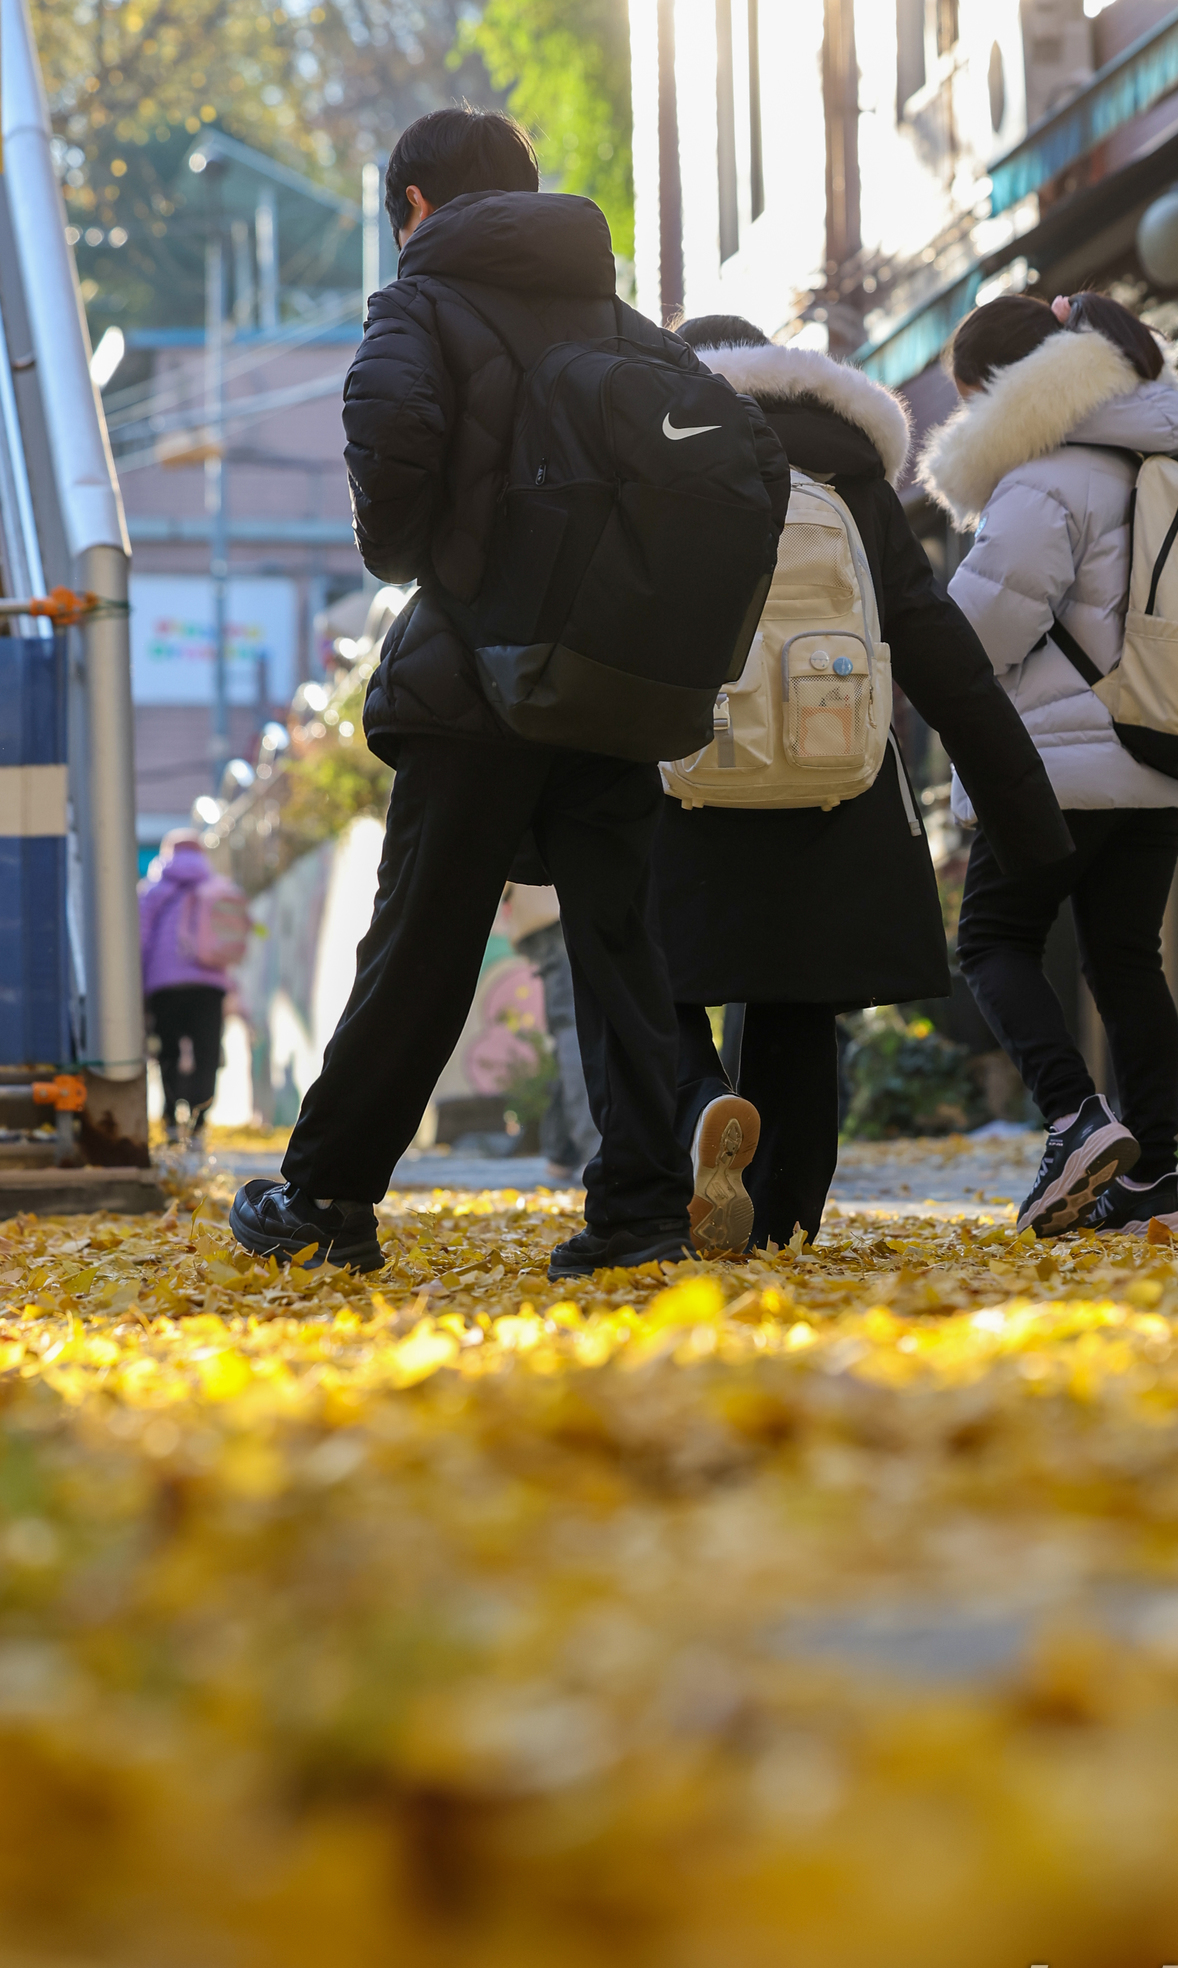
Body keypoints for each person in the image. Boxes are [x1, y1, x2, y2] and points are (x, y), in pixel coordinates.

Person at [229, 109, 780, 1277]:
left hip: (477, 682)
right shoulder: (625, 324)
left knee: (421, 943)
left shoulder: (417, 307)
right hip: (613, 680)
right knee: (622, 944)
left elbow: (390, 470)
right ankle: (636, 1208)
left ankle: (326, 1198)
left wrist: (444, 557)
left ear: (416, 207)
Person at [651, 315, 1074, 1254]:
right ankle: (784, 1224)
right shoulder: (855, 479)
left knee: (654, 977)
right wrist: (1028, 819)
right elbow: (942, 656)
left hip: (686, 768)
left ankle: (696, 1108)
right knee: (795, 1000)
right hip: (829, 774)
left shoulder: (660, 460)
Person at [922, 291, 1178, 1237]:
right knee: (1128, 958)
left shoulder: (1043, 480)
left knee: (992, 941)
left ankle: (1073, 1118)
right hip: (1162, 751)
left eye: (970, 398)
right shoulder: (1172, 463)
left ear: (1001, 390)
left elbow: (983, 633)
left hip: (1056, 760)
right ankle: (1155, 1185)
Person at [138, 830, 238, 1146]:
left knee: (167, 1051)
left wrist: (141, 987)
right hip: (208, 983)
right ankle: (198, 1123)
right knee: (207, 1051)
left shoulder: (153, 891)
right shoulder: (217, 887)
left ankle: (170, 1118)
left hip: (164, 984)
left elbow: (140, 939)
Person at [499, 879, 601, 1179]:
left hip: (545, 905)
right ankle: (595, 1151)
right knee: (577, 1028)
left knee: (572, 1030)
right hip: (556, 901)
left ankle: (563, 1150)